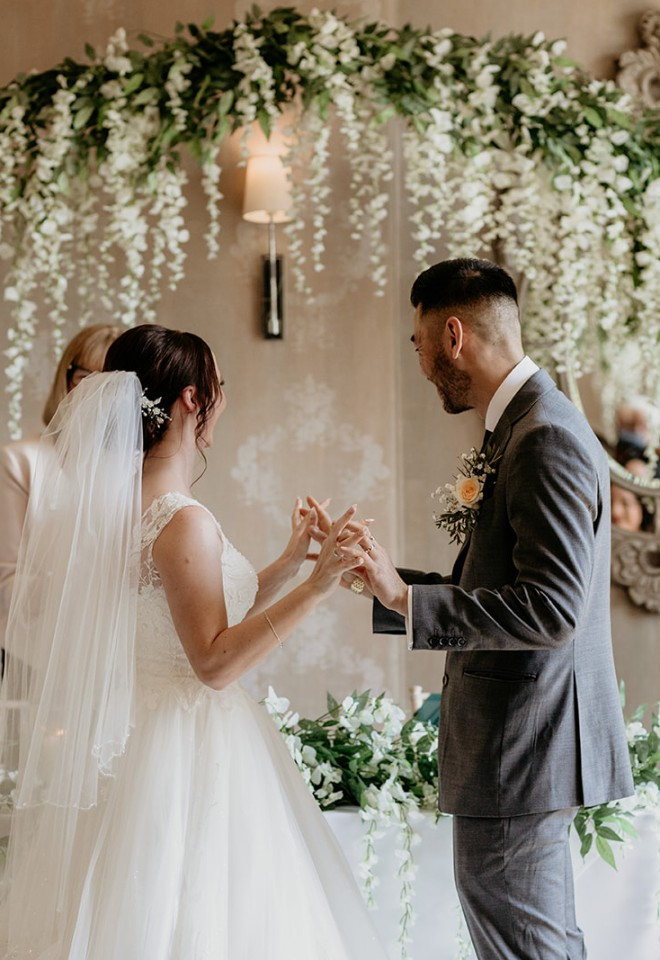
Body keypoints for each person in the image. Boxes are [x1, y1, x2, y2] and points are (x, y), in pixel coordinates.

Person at [0, 324, 387, 960]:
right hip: (188, 749)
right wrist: (318, 587)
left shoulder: (125, 508)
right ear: (188, 399)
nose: (221, 402)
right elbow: (212, 660)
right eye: (217, 388)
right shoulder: (182, 520)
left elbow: (192, 616)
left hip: (140, 739)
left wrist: (290, 564)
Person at [341, 259, 634, 960]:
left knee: (527, 949)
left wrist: (409, 600)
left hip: (521, 748)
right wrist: (387, 586)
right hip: (521, 747)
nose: (417, 362)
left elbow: (552, 608)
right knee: (537, 945)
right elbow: (503, 583)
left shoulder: (545, 436)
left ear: (451, 335)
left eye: (416, 344)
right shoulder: (525, 426)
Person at [0, 323, 121, 663]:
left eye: (112, 384)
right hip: (28, 656)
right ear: (67, 380)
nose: (98, 395)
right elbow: (8, 585)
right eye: (88, 379)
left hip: (105, 653)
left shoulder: (135, 470)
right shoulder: (20, 462)